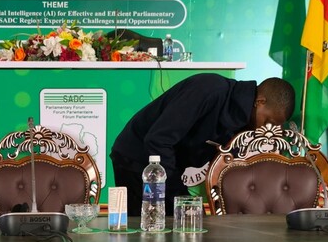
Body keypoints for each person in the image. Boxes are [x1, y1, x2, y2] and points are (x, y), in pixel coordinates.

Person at [110, 73, 296, 215]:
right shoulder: (208, 89)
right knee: (146, 235)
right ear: (260, 102)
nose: (265, 129)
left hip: (165, 166)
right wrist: (178, 196)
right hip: (135, 158)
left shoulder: (241, 118)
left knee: (184, 228)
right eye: (268, 121)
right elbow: (158, 139)